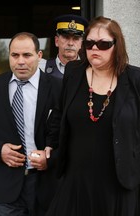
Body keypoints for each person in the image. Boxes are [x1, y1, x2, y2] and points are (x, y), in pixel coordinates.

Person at [46, 16, 140, 216]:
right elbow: (60, 112)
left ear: (117, 46)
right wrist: (51, 145)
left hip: (118, 183)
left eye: (103, 44)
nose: (95, 48)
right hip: (76, 180)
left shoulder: (134, 79)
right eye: (89, 43)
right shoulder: (73, 73)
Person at [0, 32, 61, 216]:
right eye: (15, 55)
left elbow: (70, 132)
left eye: (27, 55)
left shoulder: (58, 87)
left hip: (47, 183)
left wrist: (51, 158)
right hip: (6, 184)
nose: (20, 61)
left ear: (39, 55)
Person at [39, 14, 88, 78]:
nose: (70, 43)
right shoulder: (42, 68)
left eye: (76, 38)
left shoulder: (89, 69)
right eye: (66, 37)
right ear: (56, 41)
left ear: (81, 43)